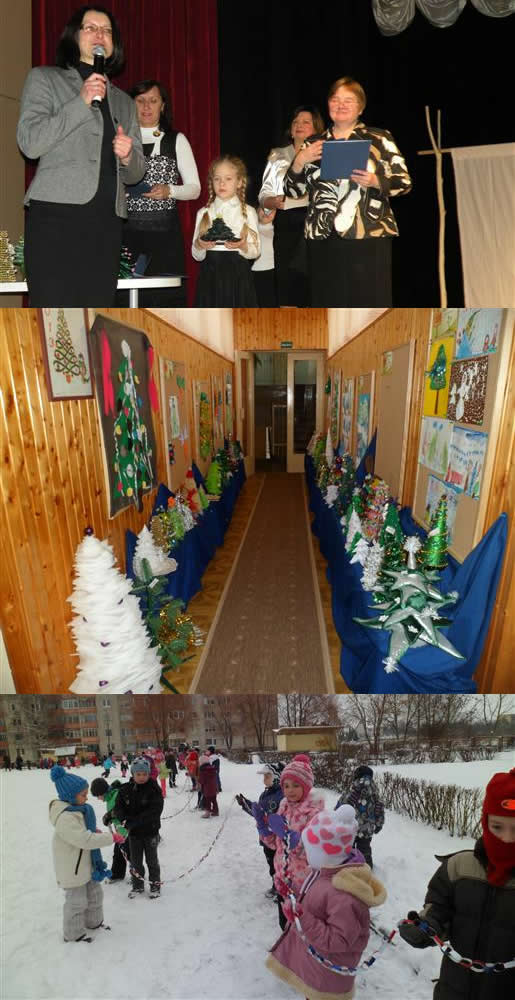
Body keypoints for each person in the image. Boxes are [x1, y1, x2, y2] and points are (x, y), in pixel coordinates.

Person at [16, 5, 146, 306]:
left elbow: (136, 173)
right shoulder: (45, 79)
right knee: (53, 312)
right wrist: (81, 101)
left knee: (95, 314)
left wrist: (128, 156)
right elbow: (30, 143)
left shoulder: (125, 102)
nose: (100, 34)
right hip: (56, 217)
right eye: (91, 28)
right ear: (74, 36)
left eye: (107, 30)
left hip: (106, 223)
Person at [283, 76, 412, 307]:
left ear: (360, 107)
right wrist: (300, 161)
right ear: (328, 104)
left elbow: (404, 182)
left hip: (367, 234)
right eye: (335, 99)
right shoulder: (313, 143)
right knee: (327, 304)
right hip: (323, 238)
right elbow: (292, 191)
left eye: (348, 100)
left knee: (368, 304)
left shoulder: (379, 138)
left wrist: (375, 181)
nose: (341, 105)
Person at [398, 766, 515, 999]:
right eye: (497, 827)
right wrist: (427, 925)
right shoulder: (458, 867)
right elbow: (439, 908)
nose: (506, 839)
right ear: (485, 823)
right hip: (454, 987)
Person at [266, 804, 387, 1000]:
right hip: (317, 967)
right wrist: (290, 890)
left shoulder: (345, 895)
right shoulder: (325, 872)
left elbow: (338, 940)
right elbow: (314, 900)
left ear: (325, 853)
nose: (306, 856)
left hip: (328, 976)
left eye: (310, 851)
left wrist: (301, 917)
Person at [119, 78, 201, 306]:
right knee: (123, 301)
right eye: (140, 100)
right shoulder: (121, 141)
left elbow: (195, 189)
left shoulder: (176, 140)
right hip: (126, 234)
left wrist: (169, 191)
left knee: (164, 302)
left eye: (153, 101)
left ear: (163, 106)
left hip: (164, 237)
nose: (146, 106)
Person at [49, 764, 124, 942]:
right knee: (77, 902)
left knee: (95, 895)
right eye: (83, 794)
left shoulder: (79, 810)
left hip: (87, 864)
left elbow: (85, 832)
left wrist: (94, 832)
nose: (86, 797)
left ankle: (94, 923)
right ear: (70, 796)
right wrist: (110, 837)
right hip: (73, 869)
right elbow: (84, 839)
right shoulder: (65, 817)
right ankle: (73, 934)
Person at [259, 104, 324, 306]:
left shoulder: (326, 155)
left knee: (314, 289)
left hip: (316, 224)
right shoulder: (277, 155)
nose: (299, 125)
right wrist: (272, 202)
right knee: (287, 288)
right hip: (286, 226)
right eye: (295, 122)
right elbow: (264, 195)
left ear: (317, 128)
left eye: (306, 122)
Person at [257, 754, 325, 930]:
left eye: (296, 785)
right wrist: (265, 831)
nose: (290, 790)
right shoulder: (283, 807)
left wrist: (296, 842)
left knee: (303, 926)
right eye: (286, 786)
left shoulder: (315, 814)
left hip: (304, 882)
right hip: (283, 878)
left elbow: (318, 852)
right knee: (285, 923)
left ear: (306, 786)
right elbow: (275, 844)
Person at [192, 155, 260, 306]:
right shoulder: (203, 213)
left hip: (238, 277)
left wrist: (243, 246)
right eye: (217, 179)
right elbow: (196, 255)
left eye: (228, 179)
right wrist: (200, 245)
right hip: (210, 276)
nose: (222, 183)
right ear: (211, 182)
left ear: (239, 182)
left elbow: (255, 251)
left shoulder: (248, 212)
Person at [113, 757, 164, 899]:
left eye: (144, 774)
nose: (141, 777)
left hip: (150, 832)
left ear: (149, 774)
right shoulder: (126, 789)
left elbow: (155, 810)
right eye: (138, 774)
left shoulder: (154, 789)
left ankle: (155, 885)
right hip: (134, 834)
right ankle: (137, 885)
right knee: (135, 861)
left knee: (152, 861)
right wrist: (122, 818)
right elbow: (118, 807)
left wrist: (135, 821)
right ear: (133, 774)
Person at [236, 762, 284, 900]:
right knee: (271, 865)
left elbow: (272, 817)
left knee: (279, 865)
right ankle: (276, 886)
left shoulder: (281, 797)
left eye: (267, 776)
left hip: (276, 840)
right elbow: (259, 813)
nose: (264, 779)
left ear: (277, 777)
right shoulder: (266, 793)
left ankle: (282, 890)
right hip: (266, 838)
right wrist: (246, 804)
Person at [335, 765, 384, 868]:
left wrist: (336, 818)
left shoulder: (352, 791)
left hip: (350, 827)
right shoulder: (374, 793)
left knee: (348, 849)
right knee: (365, 849)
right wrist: (379, 824)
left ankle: (347, 867)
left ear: (356, 776)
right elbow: (379, 809)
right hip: (367, 829)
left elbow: (340, 807)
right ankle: (366, 868)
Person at [90, 776, 129, 882]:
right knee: (118, 853)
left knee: (130, 855)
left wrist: (110, 815)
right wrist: (110, 817)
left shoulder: (116, 796)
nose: (98, 799)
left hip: (127, 832)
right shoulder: (110, 797)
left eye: (98, 796)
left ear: (102, 792)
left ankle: (137, 878)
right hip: (121, 832)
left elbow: (122, 810)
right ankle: (117, 874)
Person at [197, 753, 219, 818]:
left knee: (207, 801)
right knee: (214, 800)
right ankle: (216, 811)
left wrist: (199, 783)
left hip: (207, 788)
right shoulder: (213, 768)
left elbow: (202, 780)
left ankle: (207, 813)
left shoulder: (203, 770)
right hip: (214, 787)